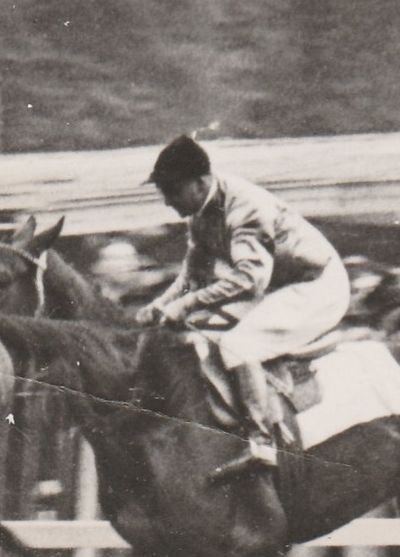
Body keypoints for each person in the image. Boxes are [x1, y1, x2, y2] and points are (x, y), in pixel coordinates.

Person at [134, 133, 350, 473]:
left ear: (201, 182)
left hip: (317, 287)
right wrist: (160, 305)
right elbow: (193, 276)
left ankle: (262, 441)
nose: (167, 201)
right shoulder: (200, 212)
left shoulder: (246, 206)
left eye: (172, 190)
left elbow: (251, 280)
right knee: (202, 332)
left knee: (238, 344)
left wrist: (186, 306)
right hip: (279, 286)